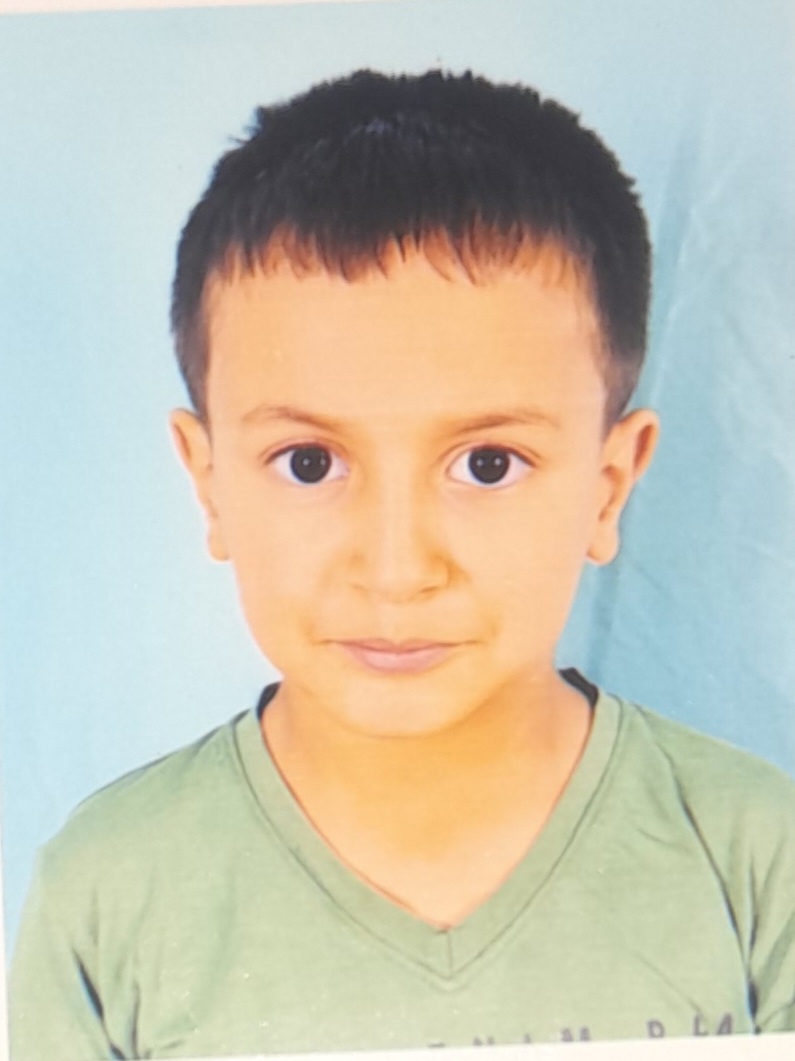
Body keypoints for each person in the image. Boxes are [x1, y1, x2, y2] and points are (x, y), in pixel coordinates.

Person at [9, 69, 795, 1059]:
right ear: (209, 484)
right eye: (308, 462)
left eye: (487, 463)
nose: (395, 568)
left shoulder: (757, 856)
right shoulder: (106, 895)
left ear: (607, 486)